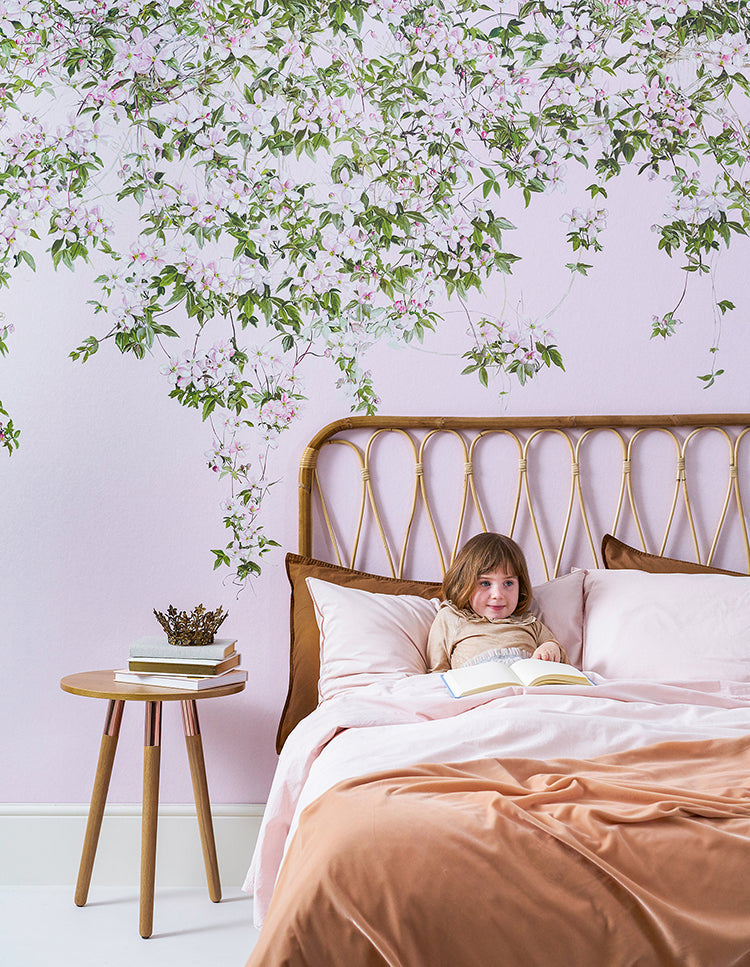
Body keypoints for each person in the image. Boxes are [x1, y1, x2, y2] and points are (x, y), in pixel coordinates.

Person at [426, 532, 569, 672]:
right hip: (477, 689)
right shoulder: (452, 617)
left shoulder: (529, 623)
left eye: (508, 583)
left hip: (526, 690)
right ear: (464, 584)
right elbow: (437, 672)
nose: (498, 595)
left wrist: (550, 648)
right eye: (485, 583)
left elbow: (561, 660)